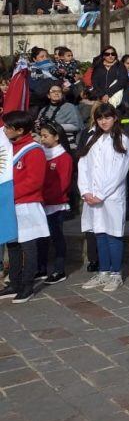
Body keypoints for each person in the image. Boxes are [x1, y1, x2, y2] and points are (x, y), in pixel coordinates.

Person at [79, 103, 129, 293]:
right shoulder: (92, 139)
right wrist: (85, 191)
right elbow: (83, 165)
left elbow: (119, 172)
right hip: (91, 196)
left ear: (115, 118)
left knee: (113, 233)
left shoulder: (122, 140)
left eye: (107, 117)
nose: (104, 121)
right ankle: (103, 272)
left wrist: (101, 194)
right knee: (99, 233)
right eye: (100, 118)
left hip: (110, 197)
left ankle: (115, 273)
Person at [0, 112, 48, 303]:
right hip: (11, 205)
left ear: (20, 130)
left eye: (9, 127)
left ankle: (28, 285)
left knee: (28, 247)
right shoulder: (10, 147)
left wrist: (7, 195)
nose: (5, 129)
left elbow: (34, 182)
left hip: (26, 204)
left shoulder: (34, 150)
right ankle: (14, 282)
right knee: (12, 246)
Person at [36, 122, 74, 284]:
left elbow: (63, 184)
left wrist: (44, 198)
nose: (42, 139)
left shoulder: (64, 157)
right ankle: (41, 268)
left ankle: (60, 270)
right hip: (40, 203)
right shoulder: (40, 154)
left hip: (55, 204)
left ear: (57, 137)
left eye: (46, 136)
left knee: (57, 237)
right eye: (41, 136)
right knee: (41, 238)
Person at [36, 84, 83, 149]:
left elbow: (76, 126)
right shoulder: (43, 110)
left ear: (62, 94)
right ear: (48, 95)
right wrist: (38, 127)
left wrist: (54, 125)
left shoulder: (69, 107)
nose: (56, 93)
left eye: (59, 91)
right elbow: (39, 129)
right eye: (53, 91)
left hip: (66, 143)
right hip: (46, 144)